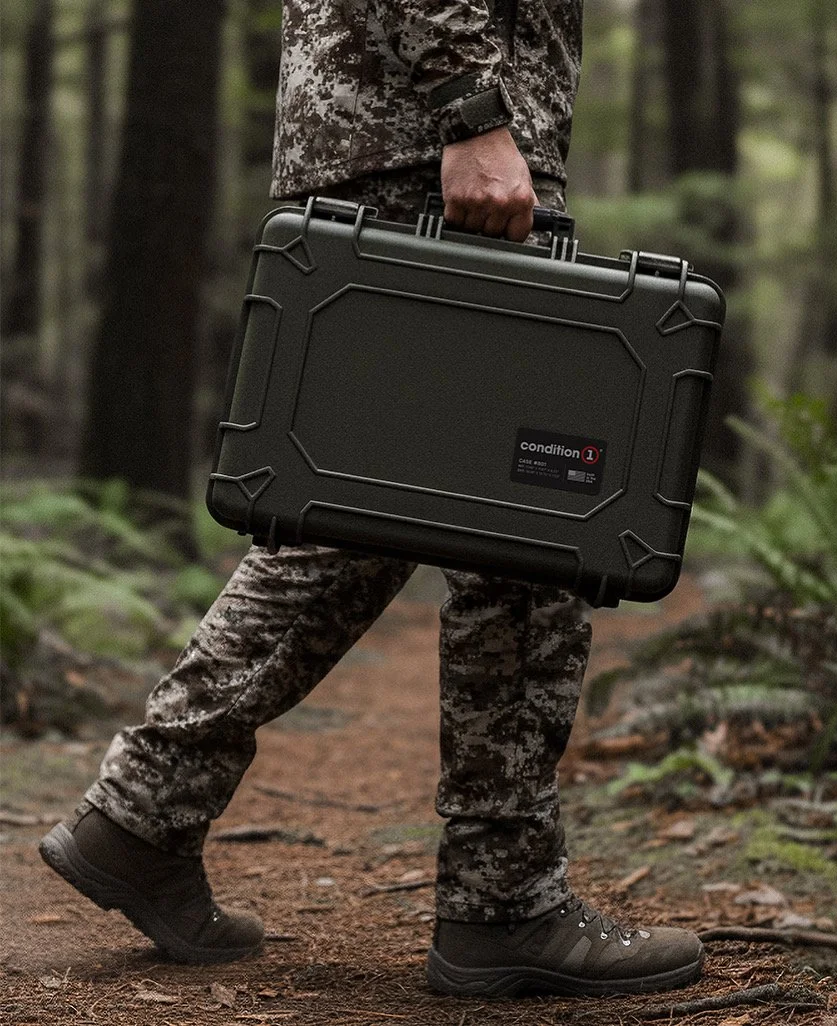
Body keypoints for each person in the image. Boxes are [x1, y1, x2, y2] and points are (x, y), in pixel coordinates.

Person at [40, 0, 704, 997]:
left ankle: (146, 810)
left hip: (387, 129)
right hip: (431, 137)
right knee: (526, 524)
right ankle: (502, 900)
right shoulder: (461, 118)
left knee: (363, 513)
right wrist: (473, 112)